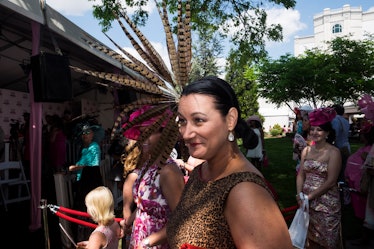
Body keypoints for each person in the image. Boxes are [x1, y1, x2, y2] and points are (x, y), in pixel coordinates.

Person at [167, 76, 292, 248]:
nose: (186, 134)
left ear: (231, 119)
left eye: (199, 120)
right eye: (182, 121)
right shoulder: (200, 172)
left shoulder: (245, 193)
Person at [120, 105, 185, 248]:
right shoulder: (148, 165)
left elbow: (181, 218)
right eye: (142, 132)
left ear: (165, 134)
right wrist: (129, 221)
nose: (143, 137)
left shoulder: (168, 171)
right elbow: (147, 205)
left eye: (150, 132)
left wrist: (149, 242)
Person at [296, 107, 342, 248]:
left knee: (327, 240)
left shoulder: (333, 152)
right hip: (306, 204)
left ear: (327, 133)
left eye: (319, 130)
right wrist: (299, 194)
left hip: (326, 204)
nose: (314, 132)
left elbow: (331, 181)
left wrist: (309, 197)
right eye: (312, 129)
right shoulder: (306, 150)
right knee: (310, 238)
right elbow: (301, 174)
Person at [69, 122, 104, 241]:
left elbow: (90, 164)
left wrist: (74, 167)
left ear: (92, 134)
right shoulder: (83, 148)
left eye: (87, 132)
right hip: (83, 180)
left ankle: (92, 236)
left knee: (90, 206)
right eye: (83, 133)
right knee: (83, 207)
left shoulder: (94, 146)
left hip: (91, 180)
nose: (85, 135)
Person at [331, 104, 351, 181]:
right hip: (346, 146)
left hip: (338, 148)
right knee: (343, 169)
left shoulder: (335, 120)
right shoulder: (346, 121)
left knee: (336, 170)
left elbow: (335, 135)